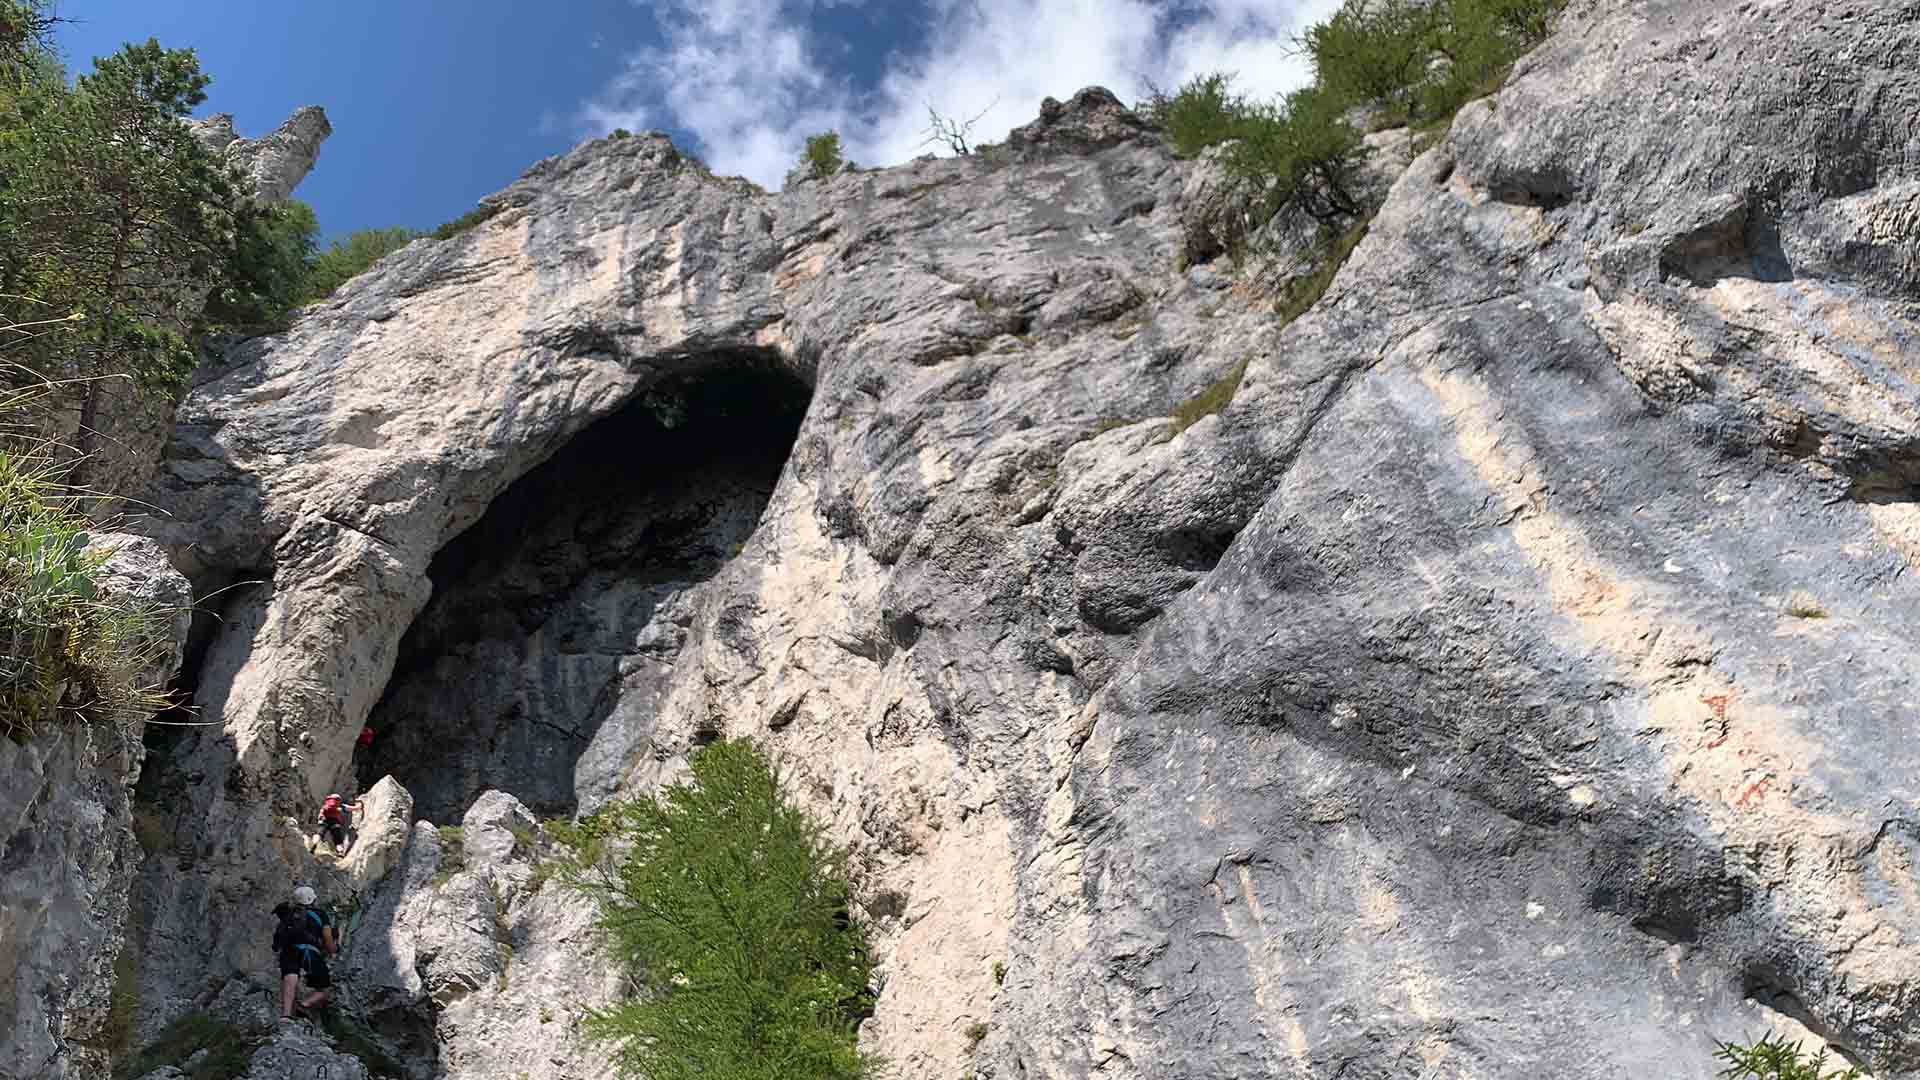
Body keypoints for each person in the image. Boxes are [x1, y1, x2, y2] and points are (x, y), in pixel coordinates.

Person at [273, 884, 337, 1020]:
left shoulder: (289, 914)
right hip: (309, 951)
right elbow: (327, 937)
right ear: (312, 900)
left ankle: (286, 1015)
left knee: (290, 978)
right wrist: (333, 951)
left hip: (288, 950)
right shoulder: (320, 914)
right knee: (325, 988)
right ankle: (304, 1004)